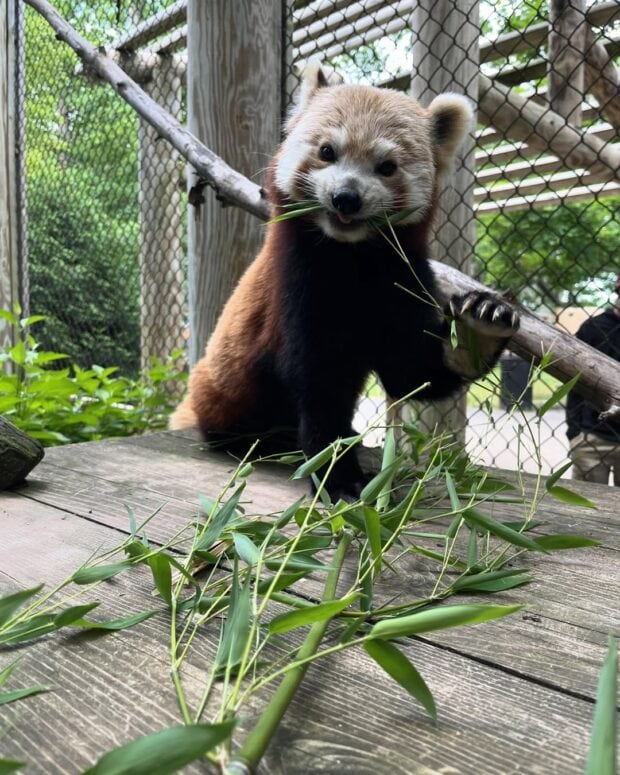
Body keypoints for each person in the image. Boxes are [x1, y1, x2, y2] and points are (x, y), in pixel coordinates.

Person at [566, 274, 620, 486]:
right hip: (592, 436)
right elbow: (572, 382)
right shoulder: (593, 328)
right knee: (587, 511)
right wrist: (575, 433)